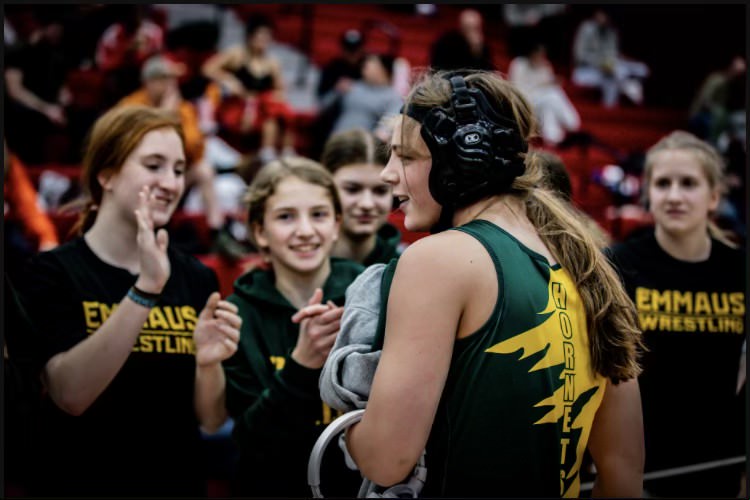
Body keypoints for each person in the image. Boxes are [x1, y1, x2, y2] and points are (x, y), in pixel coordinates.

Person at [333, 69, 645, 497]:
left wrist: (340, 411)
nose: (387, 174)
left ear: (466, 157)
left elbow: (387, 460)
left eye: (405, 157)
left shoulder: (438, 260)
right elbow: (623, 470)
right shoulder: (587, 263)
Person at [15, 105, 242, 497]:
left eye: (177, 169)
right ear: (107, 175)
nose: (171, 183)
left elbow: (210, 420)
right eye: (154, 165)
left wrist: (208, 365)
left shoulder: (196, 276)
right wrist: (145, 289)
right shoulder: (49, 273)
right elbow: (70, 395)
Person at [607, 131, 746, 498]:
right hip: (636, 468)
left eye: (688, 184)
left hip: (720, 468)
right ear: (648, 193)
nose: (674, 196)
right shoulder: (619, 265)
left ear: (714, 196)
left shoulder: (739, 270)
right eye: (663, 183)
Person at [221, 157, 365, 497]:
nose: (304, 230)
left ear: (336, 224)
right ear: (259, 232)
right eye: (286, 217)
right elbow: (252, 441)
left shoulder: (370, 294)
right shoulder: (237, 314)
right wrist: (301, 365)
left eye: (318, 214)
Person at [118, 54, 227, 245]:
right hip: (142, 175)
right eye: (165, 79)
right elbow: (134, 145)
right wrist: (165, 115)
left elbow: (195, 147)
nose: (171, 84)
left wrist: (174, 116)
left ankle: (217, 233)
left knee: (204, 170)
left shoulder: (182, 108)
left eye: (171, 79)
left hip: (174, 174)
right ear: (149, 81)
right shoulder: (131, 105)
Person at [201, 13, 297, 164]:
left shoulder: (272, 62)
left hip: (262, 108)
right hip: (239, 105)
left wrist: (276, 95)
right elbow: (208, 69)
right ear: (250, 36)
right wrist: (229, 80)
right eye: (260, 36)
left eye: (267, 37)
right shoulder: (237, 54)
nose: (263, 40)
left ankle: (276, 151)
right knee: (272, 110)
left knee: (277, 108)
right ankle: (277, 151)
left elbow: (280, 89)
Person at [320, 127, 401, 265]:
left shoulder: (404, 267)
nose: (367, 204)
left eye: (380, 191)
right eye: (352, 190)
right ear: (325, 187)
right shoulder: (296, 263)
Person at [4, 8, 72, 164]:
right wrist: (45, 109)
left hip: (50, 109)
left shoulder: (56, 55)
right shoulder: (19, 52)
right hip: (25, 112)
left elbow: (61, 85)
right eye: (55, 28)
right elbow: (15, 91)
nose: (58, 32)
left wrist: (64, 96)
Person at [570, 8, 650, 108]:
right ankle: (629, 86)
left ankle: (609, 108)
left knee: (638, 69)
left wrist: (610, 63)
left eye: (605, 16)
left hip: (609, 72)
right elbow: (579, 55)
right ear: (596, 14)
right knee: (616, 72)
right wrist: (601, 64)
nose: (602, 18)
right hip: (585, 71)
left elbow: (613, 55)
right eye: (601, 14)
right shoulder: (586, 28)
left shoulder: (611, 31)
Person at [508, 43, 581, 146]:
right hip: (524, 103)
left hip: (543, 103)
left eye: (542, 55)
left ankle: (553, 138)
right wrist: (542, 86)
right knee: (552, 95)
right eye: (538, 55)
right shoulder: (518, 64)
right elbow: (516, 91)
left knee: (552, 96)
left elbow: (547, 86)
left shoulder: (545, 66)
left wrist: (550, 83)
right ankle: (571, 122)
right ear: (531, 54)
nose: (540, 58)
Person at [327, 52, 403, 142]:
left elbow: (389, 126)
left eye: (372, 64)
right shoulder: (352, 86)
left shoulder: (392, 97)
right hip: (335, 139)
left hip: (360, 145)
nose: (365, 65)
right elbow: (323, 106)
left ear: (383, 70)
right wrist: (336, 92)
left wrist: (375, 139)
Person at [429, 8, 494, 72]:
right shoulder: (446, 42)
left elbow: (487, 71)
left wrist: (476, 50)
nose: (472, 31)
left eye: (476, 28)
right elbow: (438, 67)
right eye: (468, 27)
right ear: (461, 26)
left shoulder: (483, 46)